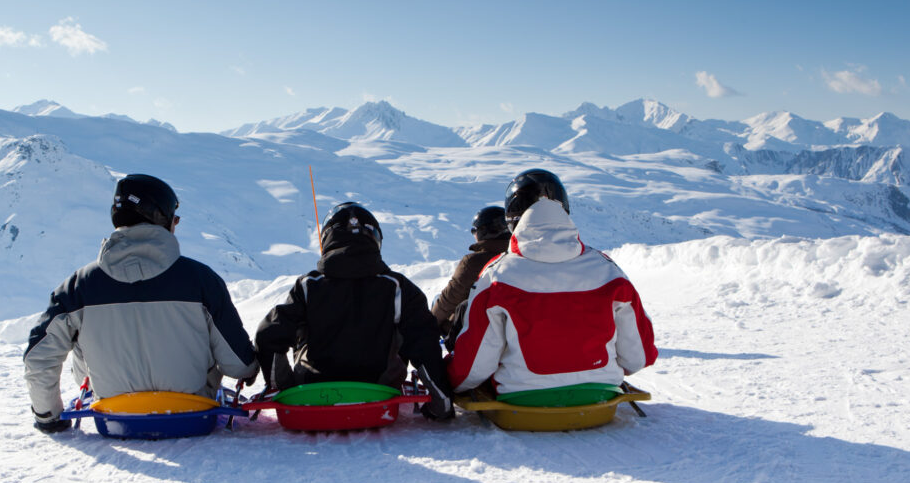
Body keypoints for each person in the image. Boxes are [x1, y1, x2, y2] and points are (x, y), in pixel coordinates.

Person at [24, 174, 258, 434]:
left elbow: (39, 356)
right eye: (175, 219)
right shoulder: (202, 280)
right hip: (191, 412)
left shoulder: (78, 286)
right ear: (161, 218)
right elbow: (239, 365)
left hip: (113, 415)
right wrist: (250, 368)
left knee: (82, 337)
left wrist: (48, 416)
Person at [447, 169, 657, 403]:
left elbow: (474, 366)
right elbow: (639, 357)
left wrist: (448, 380)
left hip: (522, 400)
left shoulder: (496, 276)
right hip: (600, 396)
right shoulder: (608, 270)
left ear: (511, 218)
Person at [254, 202, 454, 420]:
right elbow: (423, 342)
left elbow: (269, 335)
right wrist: (441, 401)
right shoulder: (398, 287)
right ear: (375, 238)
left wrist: (285, 389)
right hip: (380, 389)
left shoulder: (307, 286)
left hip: (313, 390)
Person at [431, 205, 511, 347]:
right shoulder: (519, 257)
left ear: (483, 231)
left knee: (439, 301)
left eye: (474, 231)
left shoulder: (473, 262)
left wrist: (428, 324)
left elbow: (449, 299)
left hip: (478, 332)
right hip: (513, 329)